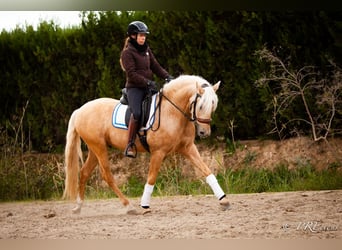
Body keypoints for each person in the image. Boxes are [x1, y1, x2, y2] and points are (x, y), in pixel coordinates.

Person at [120, 21, 173, 158]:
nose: (143, 38)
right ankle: (130, 144)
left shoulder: (146, 50)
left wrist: (167, 77)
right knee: (137, 113)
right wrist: (146, 82)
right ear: (133, 36)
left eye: (144, 35)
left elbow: (155, 66)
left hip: (148, 87)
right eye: (141, 35)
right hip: (135, 89)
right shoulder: (127, 53)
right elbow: (131, 74)